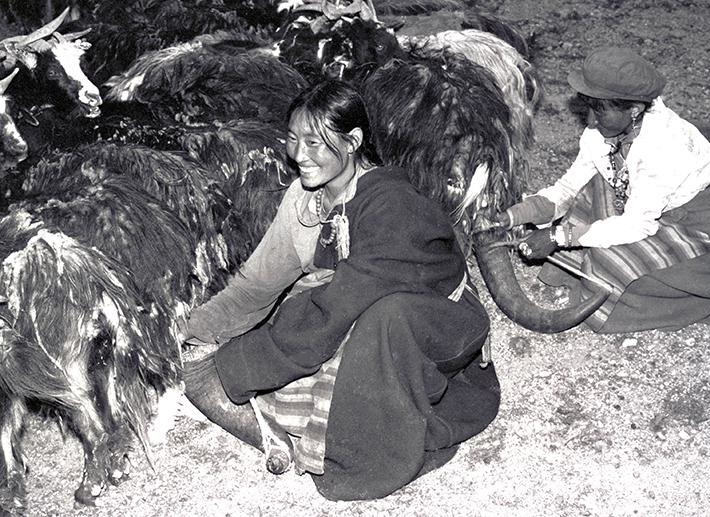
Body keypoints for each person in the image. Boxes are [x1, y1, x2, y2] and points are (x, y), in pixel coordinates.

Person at [181, 80, 500, 500]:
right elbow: (256, 286)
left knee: (372, 323)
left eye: (314, 142)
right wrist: (188, 330)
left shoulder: (391, 203)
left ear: (352, 141)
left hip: (434, 328)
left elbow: (337, 309)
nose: (299, 154)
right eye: (292, 139)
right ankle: (290, 430)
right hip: (358, 313)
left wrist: (239, 365)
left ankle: (371, 450)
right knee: (282, 331)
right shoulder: (303, 199)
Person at [498, 46, 710, 333]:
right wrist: (513, 216)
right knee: (587, 195)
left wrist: (559, 236)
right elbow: (568, 188)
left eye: (600, 111)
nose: (590, 121)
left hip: (702, 218)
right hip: (649, 205)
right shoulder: (600, 133)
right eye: (588, 107)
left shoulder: (664, 146)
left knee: (612, 268)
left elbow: (638, 224)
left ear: (634, 110)